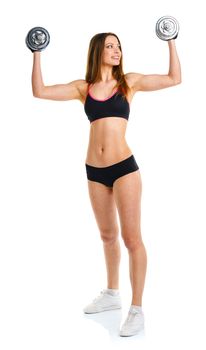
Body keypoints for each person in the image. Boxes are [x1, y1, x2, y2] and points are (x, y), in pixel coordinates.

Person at [31, 32, 181, 337]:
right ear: (98, 50)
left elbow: (173, 78)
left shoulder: (130, 82)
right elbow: (39, 91)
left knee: (131, 239)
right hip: (94, 170)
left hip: (124, 168)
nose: (117, 50)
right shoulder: (82, 88)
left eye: (119, 46)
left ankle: (137, 309)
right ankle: (112, 295)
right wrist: (36, 51)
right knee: (107, 236)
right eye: (110, 46)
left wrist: (171, 39)